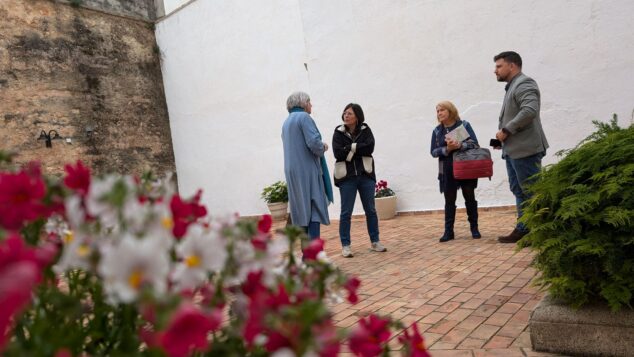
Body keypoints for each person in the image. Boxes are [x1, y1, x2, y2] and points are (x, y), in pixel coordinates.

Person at [493, 51, 549, 243]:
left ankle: (540, 230)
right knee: (519, 190)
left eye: (499, 66)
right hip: (514, 149)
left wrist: (506, 130)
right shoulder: (513, 86)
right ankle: (524, 228)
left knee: (531, 191)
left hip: (527, 150)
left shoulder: (524, 83)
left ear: (512, 66)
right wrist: (504, 140)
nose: (495, 71)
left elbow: (529, 111)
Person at [332, 103, 387, 257]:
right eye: (344, 113)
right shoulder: (338, 132)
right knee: (346, 213)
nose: (346, 116)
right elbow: (338, 153)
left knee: (370, 210)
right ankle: (346, 245)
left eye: (349, 113)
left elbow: (369, 148)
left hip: (365, 176)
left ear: (357, 116)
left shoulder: (366, 130)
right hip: (347, 178)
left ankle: (375, 241)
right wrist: (358, 148)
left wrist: (350, 147)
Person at [282, 91, 333, 240]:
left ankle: (307, 253)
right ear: (303, 103)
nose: (311, 105)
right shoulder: (304, 117)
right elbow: (314, 144)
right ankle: (313, 253)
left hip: (292, 170)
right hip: (306, 169)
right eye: (309, 102)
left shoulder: (287, 121)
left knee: (301, 210)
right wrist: (323, 146)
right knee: (314, 206)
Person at [430, 101, 481, 243]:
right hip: (447, 169)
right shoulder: (437, 131)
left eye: (442, 110)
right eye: (437, 111)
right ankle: (448, 231)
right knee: (449, 200)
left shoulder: (463, 125)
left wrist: (460, 145)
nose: (439, 113)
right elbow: (433, 152)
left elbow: (475, 144)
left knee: (469, 197)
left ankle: (474, 228)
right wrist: (447, 150)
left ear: (450, 111)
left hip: (466, 167)